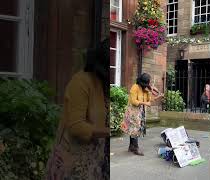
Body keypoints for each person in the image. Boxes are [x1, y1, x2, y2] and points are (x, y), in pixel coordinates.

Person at [45, 40, 110, 180]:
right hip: (72, 163)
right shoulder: (81, 82)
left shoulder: (103, 85)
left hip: (95, 161)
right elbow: (76, 126)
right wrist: (107, 131)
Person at [121, 73, 163, 156]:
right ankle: (135, 148)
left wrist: (158, 96)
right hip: (132, 111)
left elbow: (149, 100)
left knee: (134, 129)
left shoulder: (145, 89)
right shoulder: (135, 87)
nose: (148, 85)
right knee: (134, 129)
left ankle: (131, 146)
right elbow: (134, 101)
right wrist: (145, 103)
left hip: (140, 111)